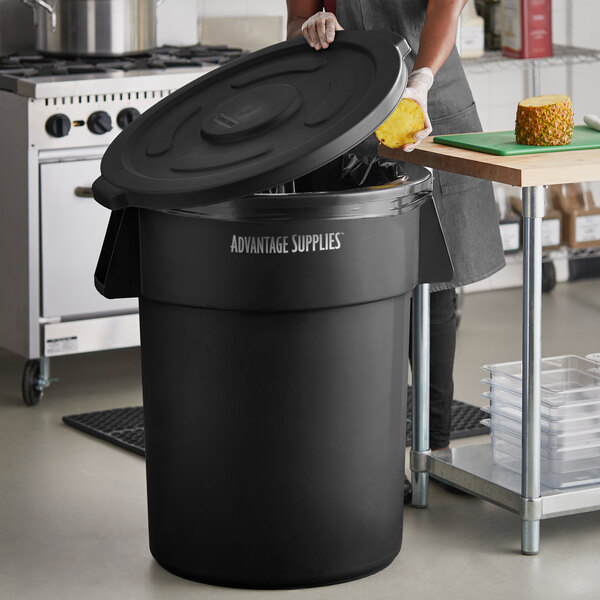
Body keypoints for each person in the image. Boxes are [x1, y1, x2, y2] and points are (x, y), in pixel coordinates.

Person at [286, 0, 505, 501]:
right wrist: (311, 27)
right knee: (361, 289)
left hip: (431, 101)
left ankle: (436, 450)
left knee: (435, 291)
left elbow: (445, 8)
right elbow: (299, 18)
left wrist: (421, 80)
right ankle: (368, 454)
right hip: (350, 109)